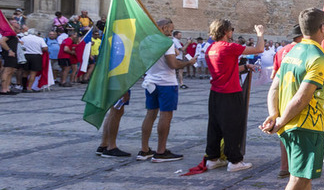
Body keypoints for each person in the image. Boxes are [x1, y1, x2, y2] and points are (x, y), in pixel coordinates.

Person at [261, 8, 324, 190]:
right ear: (322, 28)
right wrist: (279, 121)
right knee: (298, 178)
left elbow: (274, 88)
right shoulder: (319, 58)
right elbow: (301, 99)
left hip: (289, 125)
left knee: (301, 174)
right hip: (305, 125)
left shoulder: (291, 52)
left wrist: (274, 116)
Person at [204, 19, 266, 172]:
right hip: (230, 93)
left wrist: (245, 66)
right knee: (232, 127)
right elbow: (259, 49)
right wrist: (260, 34)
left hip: (215, 93)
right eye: (231, 29)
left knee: (215, 126)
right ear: (226, 31)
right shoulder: (228, 47)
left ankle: (212, 158)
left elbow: (226, 69)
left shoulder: (211, 48)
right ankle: (235, 161)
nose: (232, 32)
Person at [137, 19, 191, 163]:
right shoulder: (166, 43)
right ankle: (161, 151)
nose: (171, 32)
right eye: (170, 29)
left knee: (150, 114)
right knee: (165, 116)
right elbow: (173, 64)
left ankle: (144, 149)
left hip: (150, 81)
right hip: (166, 82)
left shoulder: (145, 42)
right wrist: (188, 63)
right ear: (164, 27)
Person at [273, 24, 303, 179]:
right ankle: (297, 168)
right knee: (299, 133)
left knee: (283, 132)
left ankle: (284, 166)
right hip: (297, 94)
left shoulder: (280, 51)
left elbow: (274, 75)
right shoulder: (303, 51)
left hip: (281, 96)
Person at [96, 92, 132, 158]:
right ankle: (111, 147)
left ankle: (104, 144)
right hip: (119, 87)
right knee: (116, 112)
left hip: (113, 86)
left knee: (113, 112)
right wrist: (124, 91)